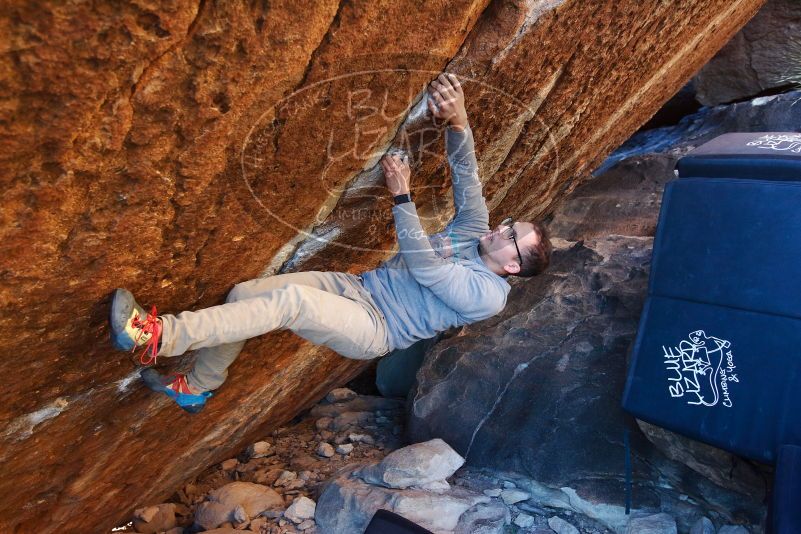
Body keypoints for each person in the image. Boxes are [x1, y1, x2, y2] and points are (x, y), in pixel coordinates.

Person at [109, 73, 552, 413]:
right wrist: (458, 117)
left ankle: (157, 336)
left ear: (513, 266)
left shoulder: (489, 296)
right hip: (358, 287)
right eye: (511, 225)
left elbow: (426, 268)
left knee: (291, 303)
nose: (503, 229)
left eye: (513, 237)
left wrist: (401, 193)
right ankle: (199, 385)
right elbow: (467, 175)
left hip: (377, 327)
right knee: (246, 294)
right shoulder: (476, 229)